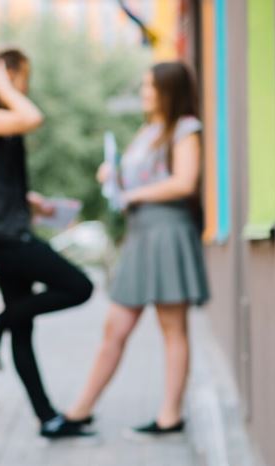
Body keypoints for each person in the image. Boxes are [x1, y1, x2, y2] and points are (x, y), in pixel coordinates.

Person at [63, 61, 209, 439]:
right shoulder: (148, 131)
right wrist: (111, 174)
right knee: (116, 327)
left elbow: (185, 182)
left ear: (169, 91)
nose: (144, 94)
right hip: (140, 235)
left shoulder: (186, 129)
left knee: (172, 327)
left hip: (168, 233)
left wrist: (132, 193)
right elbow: (136, 178)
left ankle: (170, 415)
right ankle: (79, 411)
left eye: (150, 87)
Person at [0, 47, 95, 438]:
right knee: (79, 286)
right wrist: (3, 86)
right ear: (7, 76)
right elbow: (32, 116)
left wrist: (30, 201)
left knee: (23, 324)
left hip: (7, 229)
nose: (26, 86)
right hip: (3, 238)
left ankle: (46, 417)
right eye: (22, 78)